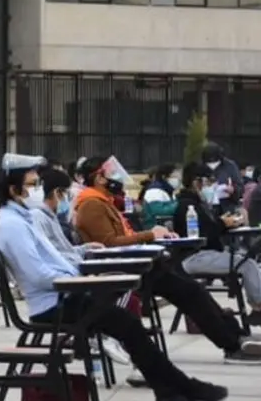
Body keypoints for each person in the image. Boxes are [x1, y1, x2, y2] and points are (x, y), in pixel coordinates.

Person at [0, 153, 228, 401]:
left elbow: (54, 258)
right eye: (33, 185)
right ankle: (176, 390)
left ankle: (175, 390)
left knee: (128, 323)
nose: (39, 189)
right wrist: (78, 281)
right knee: (128, 325)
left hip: (64, 297)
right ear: (14, 189)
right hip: (53, 305)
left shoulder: (23, 218)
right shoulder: (13, 225)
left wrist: (81, 257)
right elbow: (38, 276)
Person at [74, 156, 261, 363]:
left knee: (193, 290)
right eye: (111, 174)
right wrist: (151, 235)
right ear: (99, 179)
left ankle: (235, 336)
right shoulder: (91, 205)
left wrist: (151, 236)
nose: (117, 178)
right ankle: (232, 344)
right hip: (124, 269)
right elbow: (109, 243)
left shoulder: (103, 202)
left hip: (138, 263)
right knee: (190, 292)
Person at [172, 162, 261, 326]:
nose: (211, 186)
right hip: (194, 256)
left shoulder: (198, 203)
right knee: (246, 264)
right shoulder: (188, 206)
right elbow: (203, 233)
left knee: (247, 261)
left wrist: (225, 223)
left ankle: (257, 306)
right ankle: (258, 307)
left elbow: (210, 227)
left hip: (205, 253)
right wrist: (223, 224)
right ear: (196, 182)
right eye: (208, 182)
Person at [29, 167, 104, 266]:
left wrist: (85, 248)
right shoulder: (38, 217)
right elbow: (51, 258)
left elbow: (65, 250)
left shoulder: (51, 217)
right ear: (57, 193)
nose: (68, 200)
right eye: (67, 194)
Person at [202, 143, 242, 214]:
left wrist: (233, 189)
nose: (212, 164)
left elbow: (240, 187)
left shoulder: (230, 166)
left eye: (214, 161)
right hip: (206, 208)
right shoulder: (201, 166)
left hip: (227, 208)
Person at [142, 164, 180, 228]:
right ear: (164, 176)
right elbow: (159, 211)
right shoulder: (154, 190)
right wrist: (179, 204)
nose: (177, 180)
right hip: (153, 229)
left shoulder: (168, 190)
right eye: (174, 177)